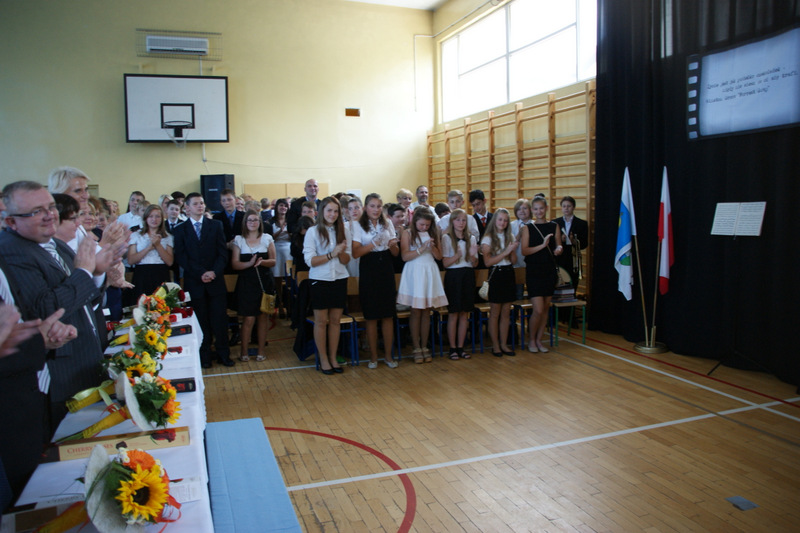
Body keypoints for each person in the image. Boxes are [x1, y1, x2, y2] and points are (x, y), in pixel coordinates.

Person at [0, 181, 126, 428]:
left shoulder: (53, 243)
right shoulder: (13, 251)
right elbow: (47, 309)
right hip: (62, 368)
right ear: (11, 221)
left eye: (50, 207)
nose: (50, 215)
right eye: (37, 211)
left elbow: (86, 297)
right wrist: (84, 271)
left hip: (84, 357)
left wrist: (97, 272)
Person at [173, 192, 235, 368]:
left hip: (215, 280)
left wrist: (213, 272)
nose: (200, 206)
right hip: (195, 281)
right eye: (195, 204)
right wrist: (201, 273)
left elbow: (222, 253)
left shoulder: (216, 225)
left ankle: (223, 354)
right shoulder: (180, 229)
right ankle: (204, 355)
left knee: (219, 319)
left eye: (201, 203)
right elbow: (182, 257)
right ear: (187, 208)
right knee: (201, 321)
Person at [303, 197, 351, 374]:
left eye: (336, 211)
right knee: (321, 322)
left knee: (336, 321)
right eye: (329, 210)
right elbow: (310, 261)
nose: (333, 214)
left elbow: (347, 260)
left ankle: (333, 357)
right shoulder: (313, 231)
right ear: (321, 211)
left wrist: (341, 252)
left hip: (339, 278)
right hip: (320, 280)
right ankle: (323, 358)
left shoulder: (344, 231)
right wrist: (332, 254)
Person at [351, 193, 399, 369]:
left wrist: (392, 245)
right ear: (365, 208)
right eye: (372, 206)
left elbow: (395, 253)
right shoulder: (358, 225)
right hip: (368, 266)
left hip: (385, 265)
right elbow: (356, 253)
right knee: (371, 316)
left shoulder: (387, 223)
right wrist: (373, 243)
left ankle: (388, 356)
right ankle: (373, 357)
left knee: (387, 314)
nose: (376, 209)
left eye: (379, 206)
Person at [396, 207, 447, 363]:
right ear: (415, 222)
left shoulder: (433, 233)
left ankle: (425, 346)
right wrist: (421, 249)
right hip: (415, 271)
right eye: (421, 224)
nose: (424, 227)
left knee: (426, 311)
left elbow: (439, 256)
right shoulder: (408, 233)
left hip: (429, 270)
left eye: (427, 225)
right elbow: (405, 256)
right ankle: (416, 347)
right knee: (416, 311)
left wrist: (432, 248)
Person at [231, 210, 276, 362]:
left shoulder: (267, 238)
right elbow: (235, 264)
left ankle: (261, 351)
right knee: (248, 319)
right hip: (247, 283)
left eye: (256, 220)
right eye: (249, 220)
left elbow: (273, 261)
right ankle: (244, 352)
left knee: (263, 318)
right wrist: (249, 264)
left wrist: (262, 262)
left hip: (264, 282)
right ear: (245, 223)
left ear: (260, 222)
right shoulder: (239, 239)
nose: (252, 223)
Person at [520, 196, 562, 353]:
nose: (539, 211)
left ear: (546, 208)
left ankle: (539, 340)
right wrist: (542, 246)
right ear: (532, 210)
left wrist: (558, 249)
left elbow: (558, 245)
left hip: (549, 271)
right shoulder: (527, 228)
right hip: (534, 272)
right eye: (536, 209)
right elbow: (524, 251)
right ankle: (531, 339)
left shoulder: (554, 226)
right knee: (537, 309)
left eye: (541, 208)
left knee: (545, 308)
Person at [441, 208, 478, 360]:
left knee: (464, 313)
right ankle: (452, 348)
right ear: (452, 221)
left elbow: (474, 264)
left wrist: (472, 256)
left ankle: (461, 347)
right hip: (454, 276)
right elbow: (445, 263)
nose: (461, 223)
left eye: (463, 220)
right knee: (453, 313)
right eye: (458, 220)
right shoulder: (447, 238)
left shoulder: (471, 238)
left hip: (468, 275)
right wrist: (457, 255)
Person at [481, 208, 518, 357]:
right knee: (495, 313)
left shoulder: (510, 236)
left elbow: (513, 260)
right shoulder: (488, 238)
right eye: (500, 219)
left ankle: (504, 344)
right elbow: (488, 262)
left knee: (506, 313)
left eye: (505, 220)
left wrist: (513, 250)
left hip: (508, 273)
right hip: (496, 274)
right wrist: (505, 252)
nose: (503, 223)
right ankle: (495, 345)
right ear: (495, 220)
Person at [127, 205, 174, 299]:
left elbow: (169, 262)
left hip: (160, 272)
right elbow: (131, 260)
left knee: (161, 303)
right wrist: (149, 247)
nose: (154, 219)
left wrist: (158, 245)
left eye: (157, 216)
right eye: (151, 216)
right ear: (146, 218)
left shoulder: (168, 237)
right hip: (142, 273)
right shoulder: (136, 235)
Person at [553, 195, 589, 289]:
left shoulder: (582, 224)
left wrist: (574, 241)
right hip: (560, 258)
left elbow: (585, 244)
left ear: (573, 207)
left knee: (573, 284)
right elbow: (552, 243)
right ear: (561, 208)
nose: (566, 208)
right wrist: (560, 240)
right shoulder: (555, 223)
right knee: (559, 285)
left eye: (569, 206)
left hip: (573, 259)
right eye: (564, 206)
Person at [269, 198, 291, 315]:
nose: (283, 208)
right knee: (277, 280)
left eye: (285, 206)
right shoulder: (271, 222)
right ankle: (280, 305)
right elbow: (269, 238)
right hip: (276, 249)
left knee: (289, 279)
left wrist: (289, 233)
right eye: (281, 205)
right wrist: (280, 231)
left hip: (288, 250)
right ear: (277, 207)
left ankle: (290, 306)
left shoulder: (290, 221)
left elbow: (294, 237)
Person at [386, 203, 407, 273]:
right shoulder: (385, 231)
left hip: (404, 263)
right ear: (389, 217)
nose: (401, 219)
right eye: (398, 216)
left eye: (402, 216)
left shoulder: (407, 230)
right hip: (390, 263)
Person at [345, 196, 362, 277]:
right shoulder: (344, 226)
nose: (354, 211)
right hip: (349, 260)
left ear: (362, 208)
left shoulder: (368, 226)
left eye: (356, 208)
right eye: (350, 209)